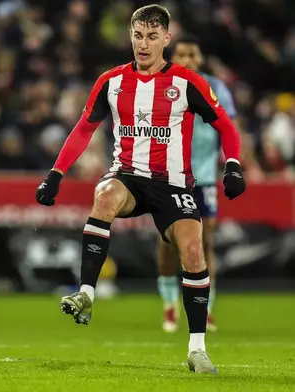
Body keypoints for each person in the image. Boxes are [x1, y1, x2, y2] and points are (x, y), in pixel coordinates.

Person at [35, 5, 246, 374]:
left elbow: (226, 127)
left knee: (194, 251)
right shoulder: (111, 82)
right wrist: (55, 173)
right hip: (128, 175)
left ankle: (197, 349)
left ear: (166, 39)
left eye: (151, 37)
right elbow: (84, 129)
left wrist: (232, 165)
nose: (143, 45)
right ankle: (86, 293)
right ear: (130, 37)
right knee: (103, 196)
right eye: (137, 36)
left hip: (174, 182)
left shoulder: (186, 82)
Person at [156, 36, 237, 334]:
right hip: (168, 175)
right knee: (167, 242)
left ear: (200, 58)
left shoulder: (217, 89)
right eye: (183, 54)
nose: (188, 59)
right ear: (174, 57)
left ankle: (207, 308)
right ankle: (169, 305)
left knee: (206, 241)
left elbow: (229, 128)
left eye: (193, 53)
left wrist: (235, 163)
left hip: (203, 176)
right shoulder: (162, 85)